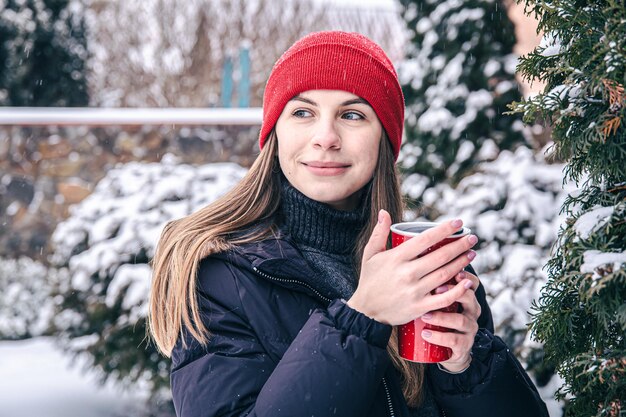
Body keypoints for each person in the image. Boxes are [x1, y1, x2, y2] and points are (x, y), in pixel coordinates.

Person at [148, 31, 549, 417]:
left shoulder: (423, 262)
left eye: (352, 114)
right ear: (275, 133)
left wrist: (466, 363)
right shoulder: (221, 276)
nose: (326, 137)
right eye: (303, 112)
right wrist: (363, 317)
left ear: (384, 140)